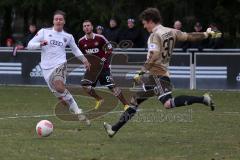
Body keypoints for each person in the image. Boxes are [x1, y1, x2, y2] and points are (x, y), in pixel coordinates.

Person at [103, 8, 216, 137]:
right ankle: (114, 129)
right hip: (155, 75)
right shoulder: (171, 31)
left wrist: (141, 73)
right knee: (134, 100)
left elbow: (154, 55)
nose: (144, 26)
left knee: (168, 103)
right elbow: (190, 36)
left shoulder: (154, 36)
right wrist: (207, 34)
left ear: (150, 21)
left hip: (158, 75)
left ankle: (203, 99)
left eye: (145, 23)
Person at [27, 10, 91, 124]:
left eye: (60, 19)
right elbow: (29, 45)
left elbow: (75, 49)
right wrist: (40, 44)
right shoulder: (43, 32)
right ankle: (75, 107)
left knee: (59, 86)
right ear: (53, 21)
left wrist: (84, 60)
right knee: (62, 100)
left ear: (64, 21)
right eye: (56, 19)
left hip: (60, 64)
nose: (58, 21)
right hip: (46, 69)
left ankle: (78, 111)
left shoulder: (68, 36)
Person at [78, 20, 130, 110]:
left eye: (88, 25)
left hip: (103, 68)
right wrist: (85, 62)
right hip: (92, 69)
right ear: (83, 28)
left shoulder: (100, 37)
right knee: (84, 84)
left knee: (112, 86)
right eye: (85, 26)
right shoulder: (81, 41)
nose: (86, 27)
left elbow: (110, 49)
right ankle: (99, 99)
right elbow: (82, 54)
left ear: (92, 27)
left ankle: (126, 105)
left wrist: (103, 59)